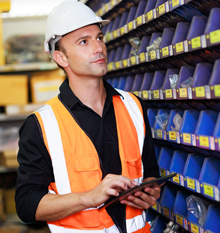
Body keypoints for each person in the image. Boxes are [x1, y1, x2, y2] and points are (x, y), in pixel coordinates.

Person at [15, 1, 161, 232]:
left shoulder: (133, 106)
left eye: (99, 38)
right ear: (61, 58)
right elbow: (26, 204)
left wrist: (151, 192)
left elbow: (150, 172)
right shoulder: (42, 125)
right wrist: (89, 197)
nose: (98, 48)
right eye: (84, 41)